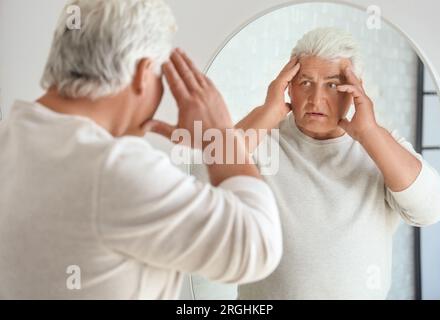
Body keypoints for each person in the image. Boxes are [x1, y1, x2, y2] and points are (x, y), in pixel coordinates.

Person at [0, 0, 283, 299]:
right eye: (159, 76)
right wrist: (220, 137)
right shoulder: (110, 169)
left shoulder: (10, 135)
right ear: (142, 73)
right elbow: (259, 246)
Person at [236, 27, 440, 299]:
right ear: (287, 87)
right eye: (305, 83)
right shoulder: (259, 138)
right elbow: (203, 188)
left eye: (333, 85)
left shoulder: (378, 145)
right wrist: (265, 113)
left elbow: (430, 210)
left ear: (355, 89)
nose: (316, 99)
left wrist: (369, 133)